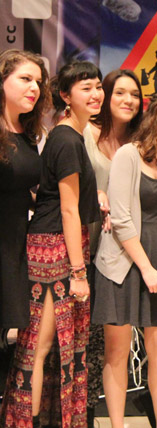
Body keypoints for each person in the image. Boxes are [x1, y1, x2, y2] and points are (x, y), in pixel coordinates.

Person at [1, 60, 103, 428]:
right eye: (86, 88)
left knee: (51, 348)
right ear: (65, 96)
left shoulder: (61, 135)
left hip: (48, 239)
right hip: (53, 246)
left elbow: (47, 194)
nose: (96, 94)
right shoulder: (66, 138)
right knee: (38, 348)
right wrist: (78, 272)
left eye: (98, 86)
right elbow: (67, 209)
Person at [93, 92, 157, 428]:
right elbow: (120, 219)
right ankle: (117, 424)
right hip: (123, 262)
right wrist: (146, 268)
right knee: (117, 351)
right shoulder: (128, 155)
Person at [83, 68, 143, 427]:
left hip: (118, 256)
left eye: (134, 94)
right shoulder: (84, 134)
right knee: (80, 341)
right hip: (80, 247)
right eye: (120, 92)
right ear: (105, 95)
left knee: (107, 345)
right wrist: (95, 193)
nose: (128, 100)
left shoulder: (141, 143)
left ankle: (94, 413)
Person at [0, 49, 50, 331]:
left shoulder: (27, 131)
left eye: (38, 82)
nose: (35, 88)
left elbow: (19, 190)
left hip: (15, 243)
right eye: (26, 79)